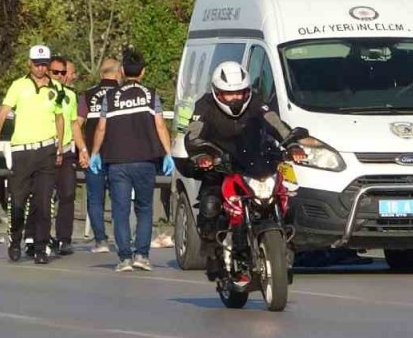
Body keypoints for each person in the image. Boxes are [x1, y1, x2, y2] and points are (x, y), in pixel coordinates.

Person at [183, 61, 307, 283]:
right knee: (210, 204)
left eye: (240, 92)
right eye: (228, 94)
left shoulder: (257, 104)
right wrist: (204, 155)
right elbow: (193, 136)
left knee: (289, 199)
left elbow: (277, 125)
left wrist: (292, 145)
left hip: (254, 163)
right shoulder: (205, 106)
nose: (235, 98)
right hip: (219, 163)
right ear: (217, 92)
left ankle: (286, 248)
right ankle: (212, 252)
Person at [89, 49, 173, 273]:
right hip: (145, 160)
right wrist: (168, 153)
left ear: (123, 71)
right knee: (144, 208)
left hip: (117, 161)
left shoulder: (110, 98)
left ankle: (124, 257)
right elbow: (160, 125)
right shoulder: (150, 95)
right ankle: (142, 255)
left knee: (120, 209)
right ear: (143, 72)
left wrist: (95, 152)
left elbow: (101, 127)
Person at [0, 45, 66, 265]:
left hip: (46, 150)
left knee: (43, 200)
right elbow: (1, 115)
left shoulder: (56, 88)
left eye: (44, 64)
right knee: (18, 201)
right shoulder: (19, 86)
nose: (41, 68)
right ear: (29, 63)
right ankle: (15, 238)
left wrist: (59, 145)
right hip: (22, 151)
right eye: (37, 63)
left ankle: (40, 246)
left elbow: (59, 117)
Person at [79, 57, 120, 252]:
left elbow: (76, 124)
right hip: (117, 155)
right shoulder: (123, 95)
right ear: (117, 73)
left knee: (95, 199)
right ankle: (122, 239)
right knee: (119, 198)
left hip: (93, 155)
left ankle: (100, 240)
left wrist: (82, 149)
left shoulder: (87, 95)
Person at [47, 56, 82, 255]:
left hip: (67, 151)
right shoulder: (43, 93)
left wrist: (82, 149)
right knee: (42, 196)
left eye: (63, 72)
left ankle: (64, 238)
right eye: (56, 72)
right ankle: (38, 235)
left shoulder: (70, 95)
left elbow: (74, 124)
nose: (60, 76)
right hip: (46, 150)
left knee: (67, 194)